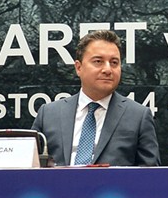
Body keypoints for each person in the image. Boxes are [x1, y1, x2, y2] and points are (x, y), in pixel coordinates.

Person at [32, 30, 160, 166]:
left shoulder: (138, 117)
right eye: (98, 61)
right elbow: (28, 166)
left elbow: (150, 173)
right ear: (79, 68)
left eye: (114, 62)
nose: (108, 69)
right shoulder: (48, 114)